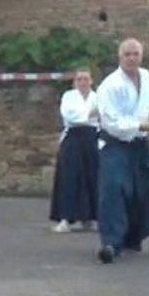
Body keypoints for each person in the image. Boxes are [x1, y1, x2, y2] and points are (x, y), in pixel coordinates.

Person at [95, 38, 149, 264]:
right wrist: (139, 125)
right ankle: (110, 243)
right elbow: (110, 121)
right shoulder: (110, 85)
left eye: (136, 54)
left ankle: (131, 238)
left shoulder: (145, 78)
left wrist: (148, 123)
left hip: (139, 145)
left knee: (138, 191)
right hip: (115, 144)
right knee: (114, 188)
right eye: (127, 54)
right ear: (120, 57)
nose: (132, 58)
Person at [50, 69, 99, 233]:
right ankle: (65, 219)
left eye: (86, 79)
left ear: (91, 81)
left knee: (92, 177)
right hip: (72, 138)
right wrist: (89, 114)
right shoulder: (68, 97)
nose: (83, 82)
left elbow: (103, 117)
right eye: (79, 79)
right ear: (74, 82)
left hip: (92, 139)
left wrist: (89, 115)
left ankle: (90, 218)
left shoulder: (98, 97)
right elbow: (69, 117)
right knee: (68, 177)